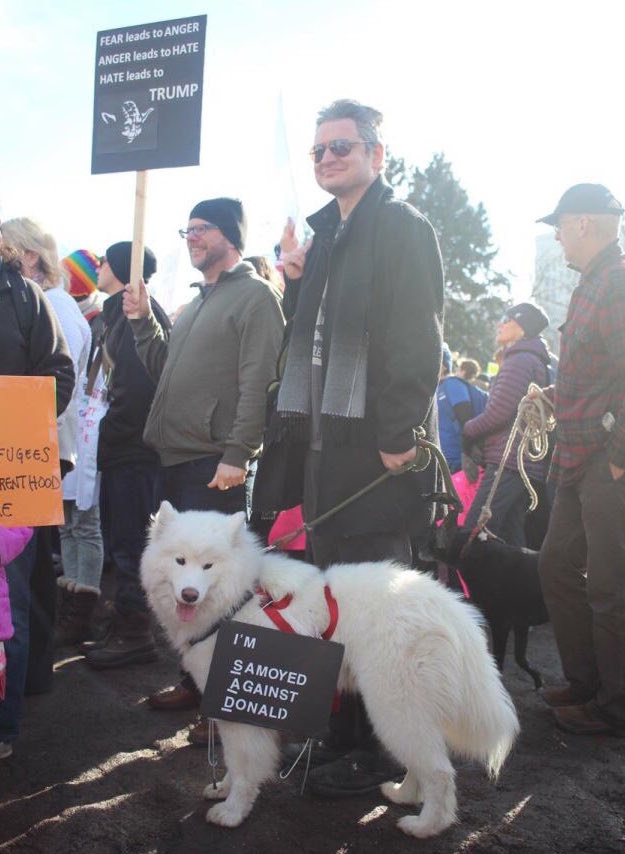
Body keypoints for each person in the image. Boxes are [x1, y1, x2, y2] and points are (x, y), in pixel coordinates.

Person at [252, 99, 444, 795]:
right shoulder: (321, 239)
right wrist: (295, 285)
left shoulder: (400, 227)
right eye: (319, 151)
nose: (328, 158)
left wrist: (398, 437)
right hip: (320, 455)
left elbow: (418, 341)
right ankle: (344, 735)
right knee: (333, 603)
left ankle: (386, 752)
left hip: (373, 455)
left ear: (375, 154)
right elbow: (303, 349)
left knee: (377, 611)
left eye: (342, 147)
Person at [122, 198, 284, 739]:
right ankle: (196, 686)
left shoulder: (255, 298)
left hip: (213, 463)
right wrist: (143, 323)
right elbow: (163, 372)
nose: (191, 237)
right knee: (188, 588)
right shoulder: (196, 303)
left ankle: (223, 710)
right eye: (187, 228)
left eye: (203, 228)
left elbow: (258, 381)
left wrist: (238, 453)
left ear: (230, 235)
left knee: (223, 593)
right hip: (175, 457)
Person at [534, 183, 625, 736]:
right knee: (555, 565)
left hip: (606, 462)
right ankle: (587, 683)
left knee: (610, 586)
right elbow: (596, 372)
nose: (558, 236)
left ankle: (614, 706)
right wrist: (550, 396)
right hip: (579, 457)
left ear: (584, 224)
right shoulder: (593, 283)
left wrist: (619, 459)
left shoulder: (616, 282)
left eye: (561, 226)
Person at [0, 217, 89, 694]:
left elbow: (59, 372)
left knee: (10, 601)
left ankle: (10, 712)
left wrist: (15, 423)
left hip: (10, 474)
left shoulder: (23, 296)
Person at [82, 242, 171, 669]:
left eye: (102, 261)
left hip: (133, 449)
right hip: (124, 446)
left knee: (130, 541)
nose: (97, 268)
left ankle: (136, 630)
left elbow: (135, 389)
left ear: (119, 267)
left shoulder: (134, 312)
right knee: (122, 537)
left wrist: (107, 430)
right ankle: (126, 621)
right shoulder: (116, 311)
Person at [462, 302, 552, 547]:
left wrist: (467, 431)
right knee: (509, 539)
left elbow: (499, 413)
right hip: (523, 464)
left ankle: (462, 586)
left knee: (471, 535)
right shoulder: (534, 359)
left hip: (508, 461)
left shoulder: (519, 360)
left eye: (508, 319)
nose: (500, 324)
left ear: (523, 328)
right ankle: (520, 586)